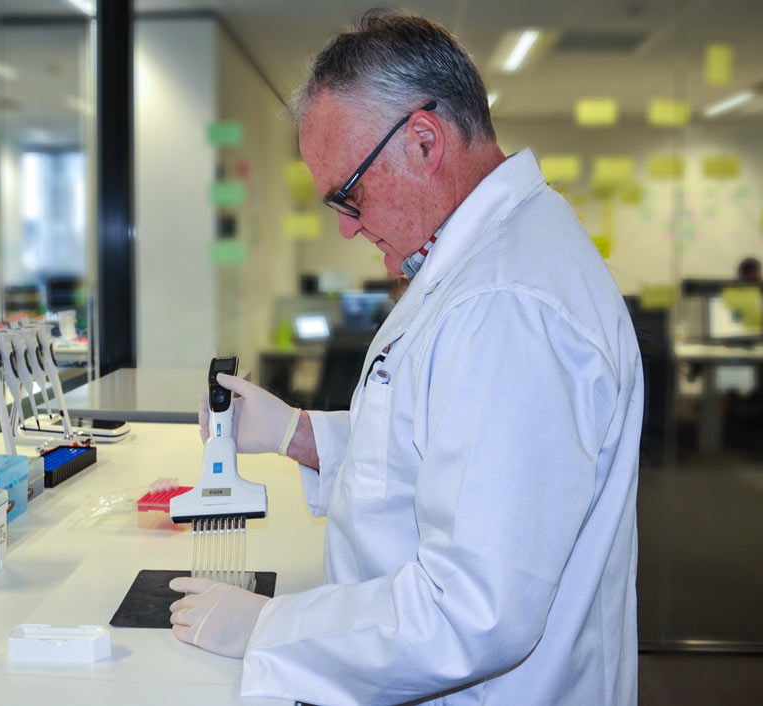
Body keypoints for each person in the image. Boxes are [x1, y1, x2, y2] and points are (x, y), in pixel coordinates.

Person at [169, 9, 643, 705]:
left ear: (423, 141)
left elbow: (472, 614)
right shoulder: (481, 261)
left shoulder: (506, 304)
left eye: (349, 193)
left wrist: (272, 627)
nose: (345, 225)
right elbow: (437, 449)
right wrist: (298, 434)